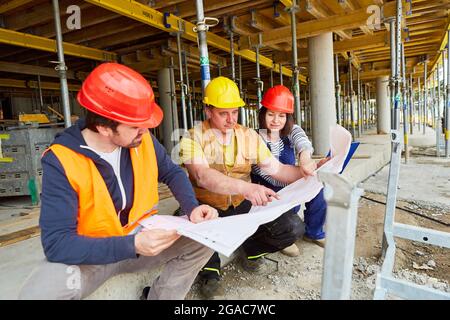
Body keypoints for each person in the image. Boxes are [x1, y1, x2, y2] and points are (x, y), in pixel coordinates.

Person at [18, 63, 217, 300]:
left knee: (205, 240)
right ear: (103, 127)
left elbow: (172, 173)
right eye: (135, 125)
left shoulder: (141, 139)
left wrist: (192, 208)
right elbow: (57, 245)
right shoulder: (61, 160)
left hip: (142, 236)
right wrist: (131, 245)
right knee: (38, 295)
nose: (145, 131)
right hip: (91, 254)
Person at [179, 77, 308, 299]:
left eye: (235, 112)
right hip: (208, 205)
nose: (231, 120)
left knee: (293, 227)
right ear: (208, 111)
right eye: (223, 113)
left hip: (241, 203)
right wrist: (246, 188)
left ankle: (251, 251)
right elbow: (202, 176)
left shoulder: (248, 136)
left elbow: (278, 170)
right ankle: (211, 270)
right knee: (189, 221)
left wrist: (307, 170)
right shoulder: (192, 137)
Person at [251, 85, 328, 257]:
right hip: (269, 188)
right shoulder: (255, 138)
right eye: (271, 114)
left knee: (319, 188)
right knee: (286, 206)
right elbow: (273, 177)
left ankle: (314, 232)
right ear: (263, 114)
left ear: (288, 117)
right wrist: (304, 174)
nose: (276, 120)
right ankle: (284, 238)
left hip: (291, 179)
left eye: (282, 115)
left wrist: (306, 160)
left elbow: (303, 142)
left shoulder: (292, 130)